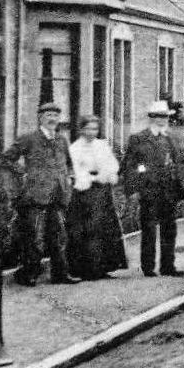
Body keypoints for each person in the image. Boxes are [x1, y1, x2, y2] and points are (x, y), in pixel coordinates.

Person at [1, 102, 78, 286]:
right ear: (40, 118)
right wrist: (22, 172)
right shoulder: (29, 139)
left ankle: (60, 275)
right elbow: (6, 158)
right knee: (35, 238)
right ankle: (29, 274)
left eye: (55, 115)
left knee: (59, 236)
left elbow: (68, 162)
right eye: (48, 115)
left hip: (58, 195)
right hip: (36, 196)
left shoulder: (61, 140)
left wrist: (70, 177)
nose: (52, 119)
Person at [122, 101, 184, 277]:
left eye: (165, 116)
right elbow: (129, 166)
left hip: (168, 190)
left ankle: (168, 266)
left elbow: (176, 163)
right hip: (149, 190)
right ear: (151, 117)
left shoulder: (169, 139)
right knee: (149, 229)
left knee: (169, 229)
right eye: (159, 116)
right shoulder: (138, 139)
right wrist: (134, 189)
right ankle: (148, 267)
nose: (163, 120)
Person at [66, 115, 128, 280]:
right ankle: (86, 269)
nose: (92, 132)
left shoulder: (101, 145)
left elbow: (112, 164)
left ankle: (102, 267)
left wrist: (107, 174)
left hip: (102, 189)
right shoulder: (75, 147)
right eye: (88, 128)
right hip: (84, 190)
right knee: (86, 228)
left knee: (104, 226)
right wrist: (90, 178)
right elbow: (76, 169)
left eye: (95, 129)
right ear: (81, 129)